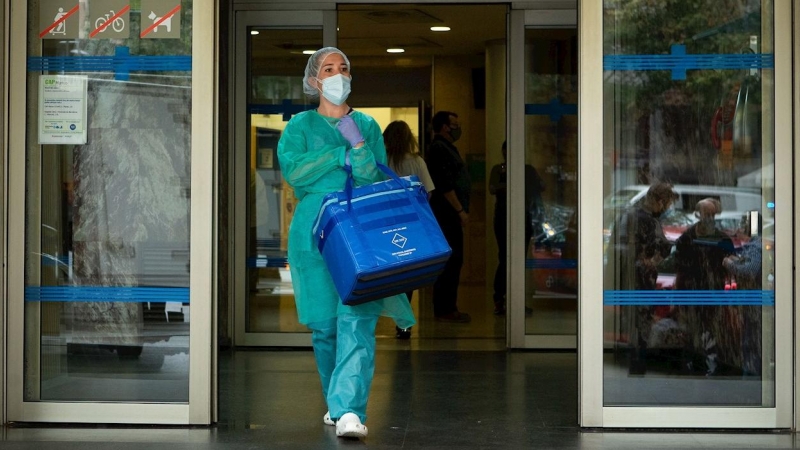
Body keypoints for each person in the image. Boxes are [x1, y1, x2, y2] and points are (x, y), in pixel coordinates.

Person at [276, 47, 415, 440]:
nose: (338, 75)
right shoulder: (299, 126)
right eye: (328, 69)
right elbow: (295, 173)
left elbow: (372, 176)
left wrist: (359, 148)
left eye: (344, 68)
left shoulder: (366, 124)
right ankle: (336, 402)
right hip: (314, 233)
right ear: (315, 81)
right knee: (324, 326)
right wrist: (340, 154)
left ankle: (349, 409)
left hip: (358, 232)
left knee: (357, 318)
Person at [608, 181, 677, 375]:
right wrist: (652, 260)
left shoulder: (627, 214)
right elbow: (662, 247)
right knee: (641, 326)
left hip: (627, 279)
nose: (666, 209)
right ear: (660, 201)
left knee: (633, 324)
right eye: (666, 204)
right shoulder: (647, 220)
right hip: (640, 281)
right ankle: (637, 366)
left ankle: (634, 363)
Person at [383, 120, 435, 340]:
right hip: (412, 224)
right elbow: (429, 193)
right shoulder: (417, 162)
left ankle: (389, 316)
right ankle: (404, 324)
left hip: (384, 223)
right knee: (408, 273)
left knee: (388, 273)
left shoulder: (380, 162)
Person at [673, 198, 735, 376]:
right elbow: (679, 269)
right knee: (693, 331)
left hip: (713, 294)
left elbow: (731, 266)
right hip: (690, 293)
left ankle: (715, 365)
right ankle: (694, 365)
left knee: (713, 331)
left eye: (712, 214)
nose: (709, 217)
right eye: (706, 214)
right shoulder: (686, 239)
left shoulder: (723, 239)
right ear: (698, 214)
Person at [425, 111, 472, 323]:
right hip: (446, 214)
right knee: (451, 261)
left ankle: (448, 306)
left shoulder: (447, 148)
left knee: (454, 260)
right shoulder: (438, 149)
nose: (457, 127)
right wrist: (460, 211)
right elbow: (445, 184)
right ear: (445, 126)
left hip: (449, 214)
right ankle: (445, 308)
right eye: (454, 124)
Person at [488, 141, 544, 315]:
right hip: (504, 218)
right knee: (505, 258)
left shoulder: (528, 170)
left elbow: (539, 189)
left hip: (524, 218)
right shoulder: (499, 169)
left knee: (518, 260)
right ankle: (500, 298)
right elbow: (493, 188)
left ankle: (515, 300)